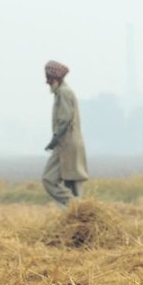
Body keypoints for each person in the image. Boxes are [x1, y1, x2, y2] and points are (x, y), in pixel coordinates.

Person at [42, 60, 89, 207]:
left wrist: (54, 140)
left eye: (49, 79)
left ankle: (75, 205)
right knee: (70, 180)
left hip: (66, 144)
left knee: (48, 179)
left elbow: (64, 120)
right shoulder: (62, 92)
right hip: (69, 144)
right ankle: (74, 213)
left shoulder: (63, 92)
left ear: (56, 79)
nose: (47, 82)